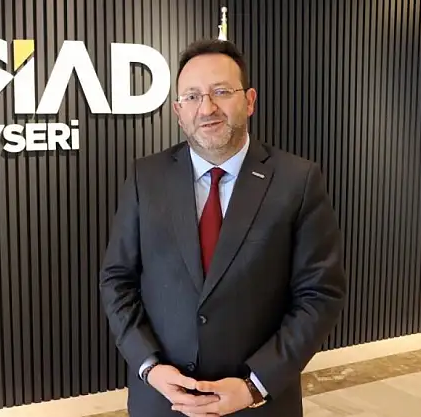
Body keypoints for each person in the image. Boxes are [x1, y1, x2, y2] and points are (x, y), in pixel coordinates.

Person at [99, 39, 348, 417]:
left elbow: (320, 295)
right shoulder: (145, 178)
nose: (207, 108)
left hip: (259, 405)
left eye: (221, 92)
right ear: (178, 111)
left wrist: (255, 385)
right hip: (162, 402)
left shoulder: (298, 181)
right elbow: (117, 280)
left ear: (249, 101)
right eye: (192, 96)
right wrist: (149, 366)